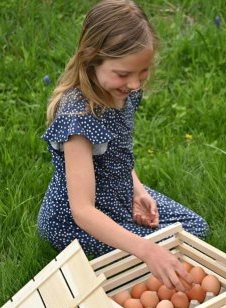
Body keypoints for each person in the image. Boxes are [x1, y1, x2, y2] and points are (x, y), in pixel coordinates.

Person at [37, 0, 208, 291]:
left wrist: (138, 191)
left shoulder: (122, 92)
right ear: (91, 59)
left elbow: (117, 155)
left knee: (194, 231)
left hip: (118, 194)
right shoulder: (77, 118)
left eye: (142, 73)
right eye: (124, 74)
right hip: (76, 221)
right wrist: (145, 249)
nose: (135, 84)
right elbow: (83, 210)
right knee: (150, 260)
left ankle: (140, 240)